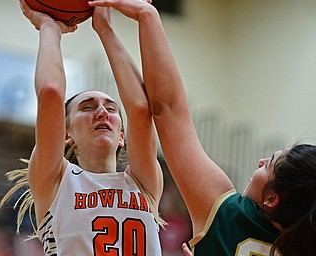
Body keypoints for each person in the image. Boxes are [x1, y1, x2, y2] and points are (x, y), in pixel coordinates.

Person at [87, 1, 316, 255]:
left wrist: (147, 15)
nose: (260, 161)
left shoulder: (231, 219)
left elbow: (167, 109)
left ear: (272, 199)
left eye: (270, 163)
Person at [0, 0, 165, 255]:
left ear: (122, 136)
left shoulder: (142, 183)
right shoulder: (56, 181)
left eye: (111, 109)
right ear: (67, 135)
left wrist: (105, 28)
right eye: (88, 107)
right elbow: (51, 93)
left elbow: (141, 109)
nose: (102, 112)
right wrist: (48, 28)